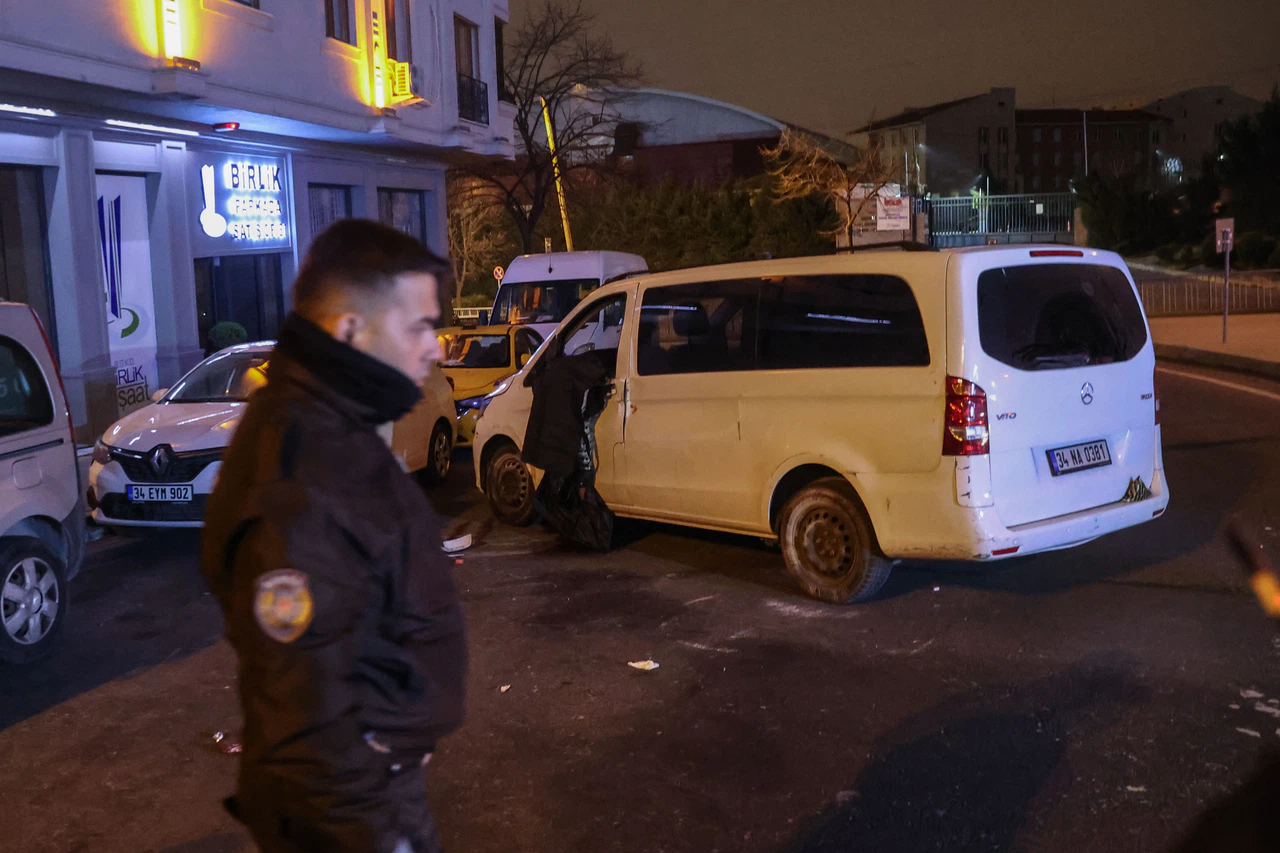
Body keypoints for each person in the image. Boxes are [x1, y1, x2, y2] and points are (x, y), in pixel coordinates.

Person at [201, 219, 466, 853]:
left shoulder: (327, 426)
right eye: (421, 326)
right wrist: (380, 827)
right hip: (353, 815)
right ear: (351, 331)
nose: (437, 348)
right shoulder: (300, 473)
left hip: (372, 786)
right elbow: (306, 726)